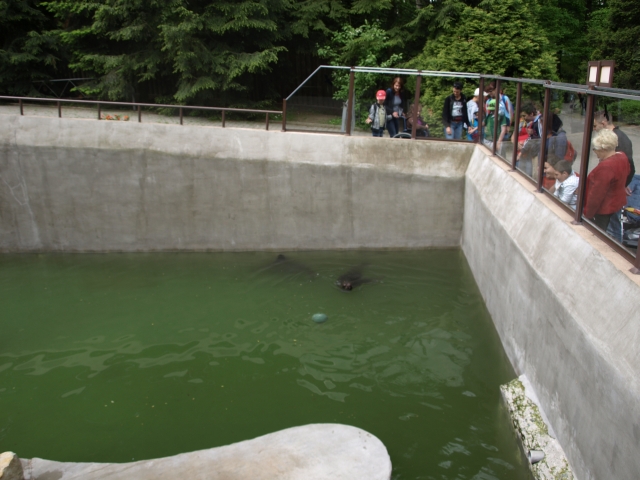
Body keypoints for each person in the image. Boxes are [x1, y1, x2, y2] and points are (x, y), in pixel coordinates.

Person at [583, 129, 630, 230]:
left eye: (595, 148)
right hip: (617, 204)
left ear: (603, 149)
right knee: (615, 231)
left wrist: (587, 214)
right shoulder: (622, 156)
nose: (594, 151)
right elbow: (627, 172)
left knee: (601, 234)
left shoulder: (606, 167)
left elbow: (596, 195)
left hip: (604, 210)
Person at [593, 110, 635, 189]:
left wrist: (622, 185)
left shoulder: (618, 140)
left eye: (595, 126)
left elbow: (629, 167)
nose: (593, 129)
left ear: (603, 124)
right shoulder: (618, 136)